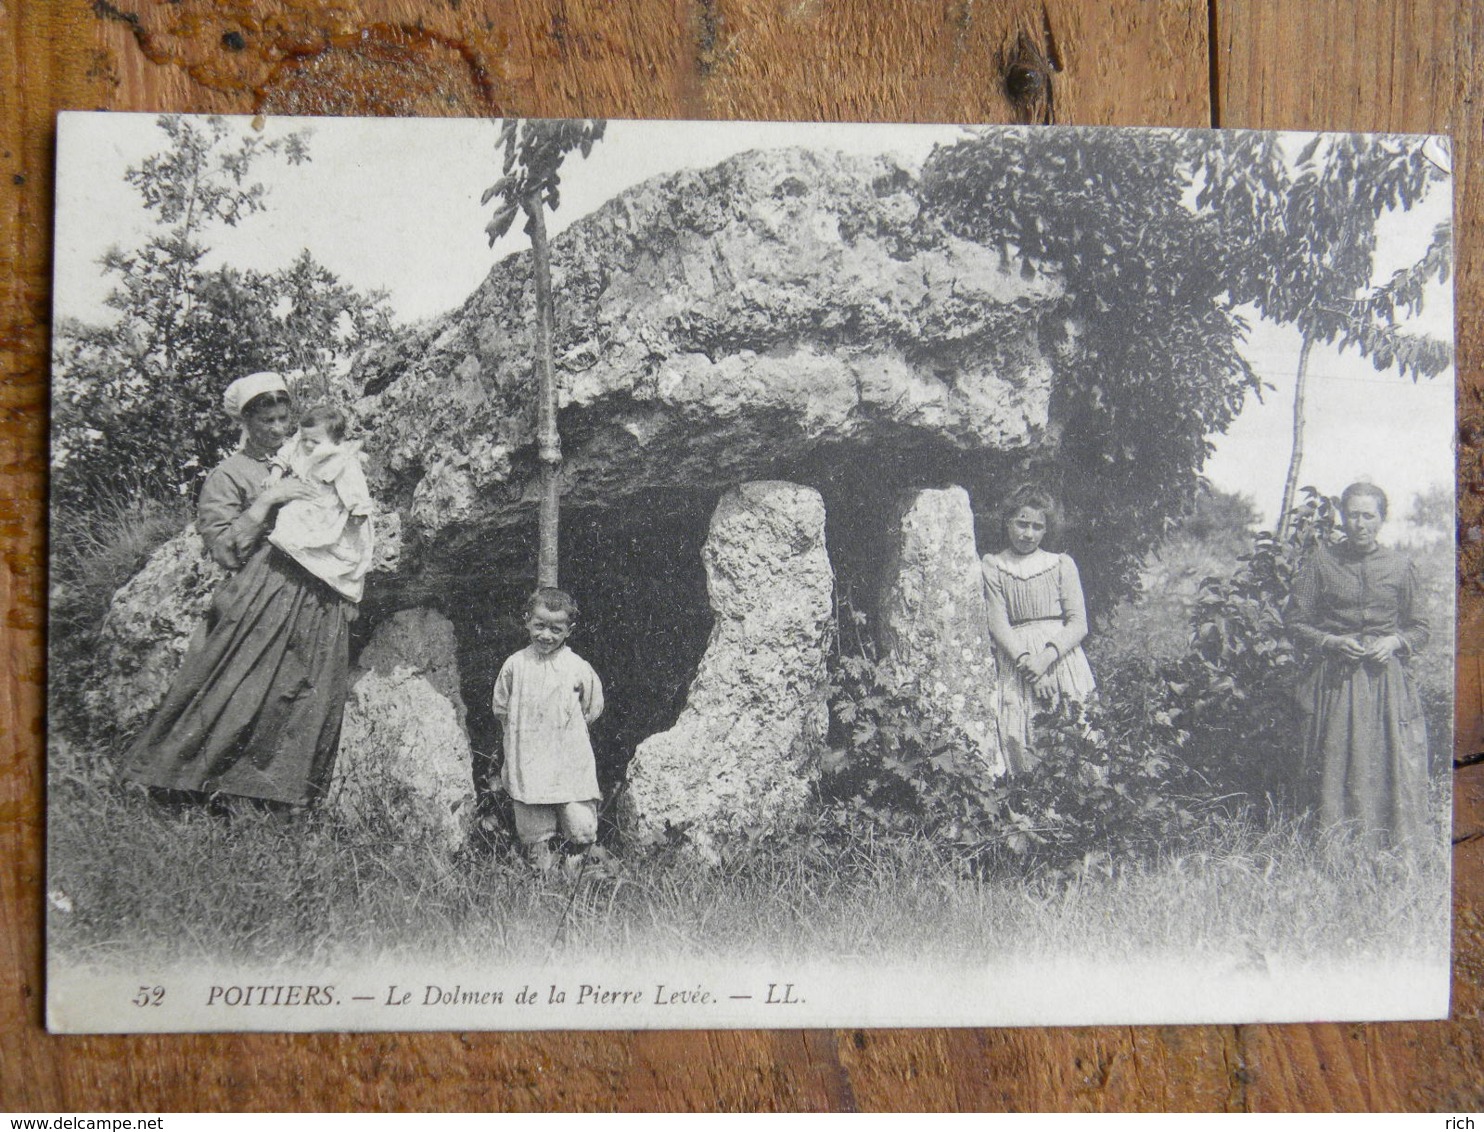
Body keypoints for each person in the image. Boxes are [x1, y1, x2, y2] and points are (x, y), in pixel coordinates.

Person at [119, 372, 358, 807]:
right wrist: (268, 499)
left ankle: (278, 807)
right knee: (236, 697)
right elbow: (227, 551)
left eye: (284, 418)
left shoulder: (313, 455)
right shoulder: (228, 474)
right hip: (259, 596)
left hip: (318, 597)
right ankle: (184, 795)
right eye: (266, 420)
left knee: (303, 700)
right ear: (245, 422)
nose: (277, 428)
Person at [1286, 482, 1430, 848]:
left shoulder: (1400, 566)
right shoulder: (1321, 563)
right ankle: (1334, 850)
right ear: (1342, 518)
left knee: (1387, 761)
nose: (1360, 523)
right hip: (1335, 682)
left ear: (1382, 519)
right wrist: (1330, 642)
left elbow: (1420, 627)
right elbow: (1294, 622)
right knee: (1335, 761)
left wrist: (1395, 641)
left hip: (1386, 684)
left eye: (1369, 515)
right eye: (1353, 515)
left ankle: (1389, 848)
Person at [980, 485, 1096, 774]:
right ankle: (1037, 811)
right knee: (1020, 732)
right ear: (1007, 521)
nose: (1028, 533)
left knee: (1075, 727)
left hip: (1060, 658)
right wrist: (1027, 665)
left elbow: (1078, 622)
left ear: (1046, 530)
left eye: (1037, 526)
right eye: (1022, 523)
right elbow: (997, 622)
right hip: (1018, 659)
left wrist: (1044, 660)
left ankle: (1085, 808)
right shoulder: (994, 565)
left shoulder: (1061, 564)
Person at [491, 588, 606, 870]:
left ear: (569, 630)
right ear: (527, 621)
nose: (546, 635)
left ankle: (577, 870)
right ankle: (541, 873)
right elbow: (501, 706)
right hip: (528, 755)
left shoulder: (577, 667)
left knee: (578, 819)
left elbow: (592, 707)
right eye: (539, 625)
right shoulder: (515, 665)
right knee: (533, 820)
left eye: (556, 629)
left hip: (568, 756)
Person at [267, 403, 375, 604]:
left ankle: (318, 570)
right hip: (307, 498)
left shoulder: (341, 459)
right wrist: (276, 472)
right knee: (289, 517)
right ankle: (298, 557)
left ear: (334, 441)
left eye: (314, 441)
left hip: (328, 505)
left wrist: (358, 510)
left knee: (330, 542)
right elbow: (287, 452)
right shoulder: (301, 444)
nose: (307, 445)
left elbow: (354, 487)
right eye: (304, 438)